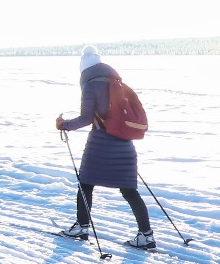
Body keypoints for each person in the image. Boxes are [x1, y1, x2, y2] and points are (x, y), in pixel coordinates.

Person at [55, 45, 155, 248]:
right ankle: (146, 235)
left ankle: (82, 227)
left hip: (100, 144)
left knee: (85, 185)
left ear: (84, 69)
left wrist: (64, 124)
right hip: (125, 145)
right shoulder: (118, 83)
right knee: (129, 191)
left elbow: (86, 118)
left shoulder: (91, 86)